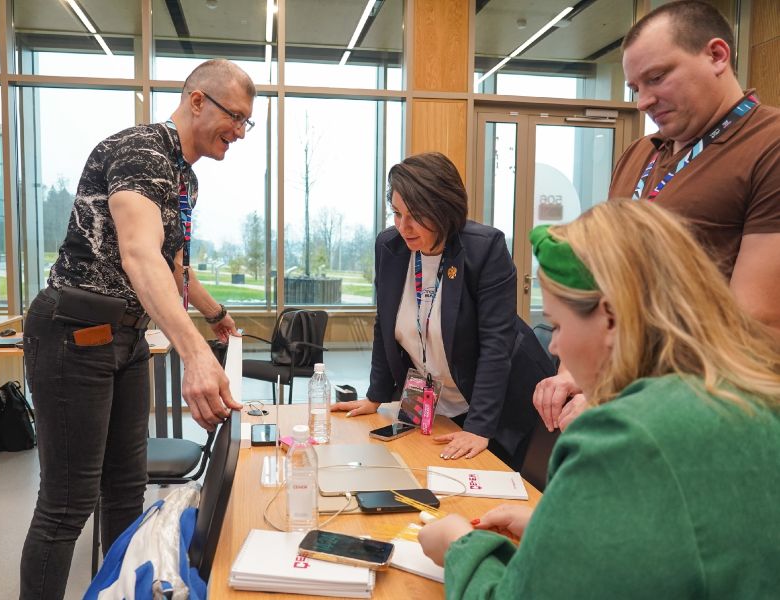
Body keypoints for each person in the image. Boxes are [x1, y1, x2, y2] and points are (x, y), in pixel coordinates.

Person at [418, 199, 780, 598]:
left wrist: (459, 546)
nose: (554, 346)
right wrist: (564, 524)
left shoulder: (623, 433)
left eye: (557, 325)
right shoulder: (751, 399)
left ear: (609, 317)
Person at [19, 59, 253, 599]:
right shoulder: (142, 151)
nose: (239, 132)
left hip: (124, 339)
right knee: (67, 503)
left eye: (246, 122)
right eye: (234, 117)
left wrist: (214, 315)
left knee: (125, 490)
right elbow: (139, 254)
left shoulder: (181, 173)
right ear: (197, 100)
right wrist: (192, 351)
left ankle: (117, 590)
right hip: (73, 331)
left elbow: (172, 265)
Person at [534, 0, 780, 432]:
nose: (643, 101)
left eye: (657, 77)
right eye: (634, 87)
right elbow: (606, 276)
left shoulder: (769, 145)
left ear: (717, 55)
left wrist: (623, 394)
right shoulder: (639, 154)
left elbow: (756, 322)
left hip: (702, 410)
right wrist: (577, 367)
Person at [330, 152, 553, 469]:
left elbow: (495, 345)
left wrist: (478, 428)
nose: (403, 227)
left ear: (442, 208)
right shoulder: (389, 247)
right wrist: (375, 395)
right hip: (435, 402)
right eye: (396, 213)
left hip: (499, 408)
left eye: (415, 216)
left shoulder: (484, 249)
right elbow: (385, 326)